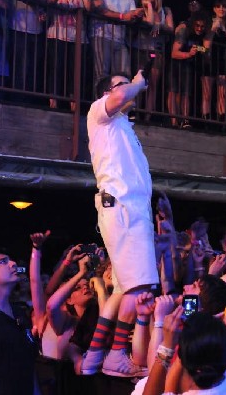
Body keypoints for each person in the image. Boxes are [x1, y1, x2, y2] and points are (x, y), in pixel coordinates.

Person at [80, 69, 160, 377]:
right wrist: (138, 83)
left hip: (130, 210)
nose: (127, 89)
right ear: (106, 94)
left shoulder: (122, 126)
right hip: (125, 211)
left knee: (122, 289)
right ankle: (116, 355)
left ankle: (95, 355)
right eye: (121, 85)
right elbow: (118, 97)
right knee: (140, 287)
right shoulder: (100, 114)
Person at [0, 251, 39, 394]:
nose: (13, 264)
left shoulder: (19, 312)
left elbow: (28, 364)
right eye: (3, 262)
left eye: (11, 260)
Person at [89, 0, 144, 85]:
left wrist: (136, 15)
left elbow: (130, 16)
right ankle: (102, 98)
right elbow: (98, 8)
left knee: (124, 75)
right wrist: (122, 16)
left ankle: (119, 98)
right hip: (101, 35)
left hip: (120, 39)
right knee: (102, 74)